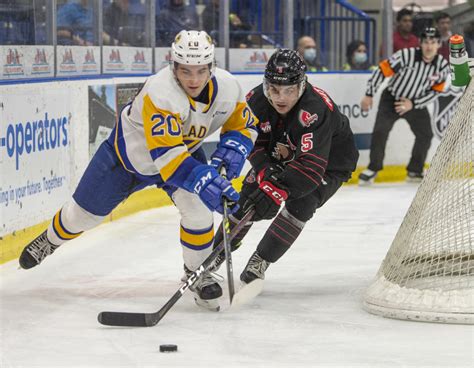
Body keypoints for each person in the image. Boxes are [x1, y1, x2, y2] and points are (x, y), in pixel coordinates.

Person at [18, 30, 258, 311]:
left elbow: (244, 125)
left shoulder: (229, 88)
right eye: (185, 71)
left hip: (182, 154)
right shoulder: (161, 91)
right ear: (173, 66)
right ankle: (50, 239)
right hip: (125, 159)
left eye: (201, 71)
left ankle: (198, 273)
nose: (193, 79)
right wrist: (209, 183)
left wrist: (231, 153)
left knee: (199, 211)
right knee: (80, 217)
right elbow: (168, 159)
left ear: (211, 67)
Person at [211, 49, 358, 286]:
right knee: (248, 198)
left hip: (329, 163)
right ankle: (216, 253)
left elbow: (310, 169)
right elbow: (253, 143)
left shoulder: (316, 109)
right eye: (274, 89)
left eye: (289, 90)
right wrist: (264, 172)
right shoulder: (255, 100)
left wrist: (275, 191)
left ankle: (261, 259)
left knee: (301, 204)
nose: (281, 98)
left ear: (301, 85)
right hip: (281, 153)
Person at [359, 27, 449, 185]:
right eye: (426, 42)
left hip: (415, 103)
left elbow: (435, 92)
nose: (429, 46)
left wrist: (413, 104)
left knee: (425, 134)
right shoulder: (406, 55)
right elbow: (382, 71)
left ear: (438, 44)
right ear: (420, 43)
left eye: (433, 42)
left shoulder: (442, 65)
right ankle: (373, 168)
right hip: (391, 98)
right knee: (380, 131)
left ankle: (415, 170)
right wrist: (369, 94)